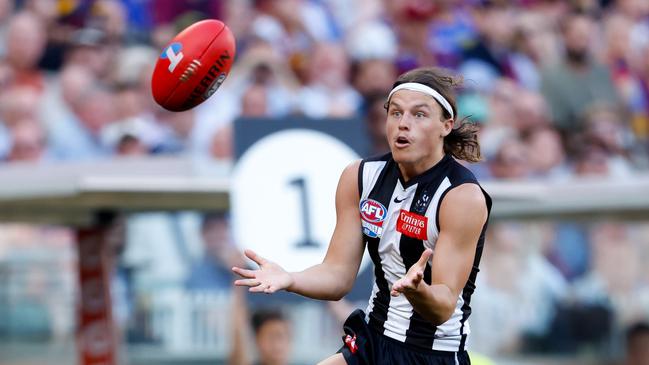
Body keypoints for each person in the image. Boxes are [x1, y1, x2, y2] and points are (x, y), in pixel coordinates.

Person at [232, 67, 491, 365]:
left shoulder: (461, 196)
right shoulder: (360, 176)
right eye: (395, 113)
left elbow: (444, 305)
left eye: (418, 114)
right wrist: (290, 277)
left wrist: (417, 290)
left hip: (431, 355)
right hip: (373, 340)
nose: (403, 124)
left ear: (446, 125)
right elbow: (338, 276)